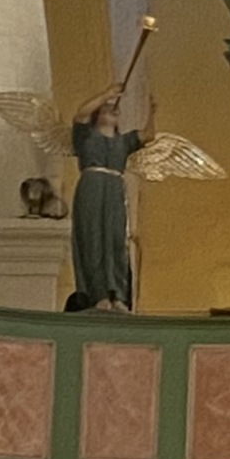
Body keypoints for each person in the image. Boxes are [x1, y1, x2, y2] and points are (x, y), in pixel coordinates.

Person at [68, 82, 154, 312]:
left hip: (115, 189)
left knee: (116, 241)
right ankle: (98, 295)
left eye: (114, 109)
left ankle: (118, 295)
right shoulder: (85, 136)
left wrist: (152, 111)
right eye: (105, 109)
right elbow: (81, 113)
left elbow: (147, 135)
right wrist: (106, 94)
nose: (112, 109)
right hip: (92, 186)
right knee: (94, 239)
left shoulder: (122, 142)